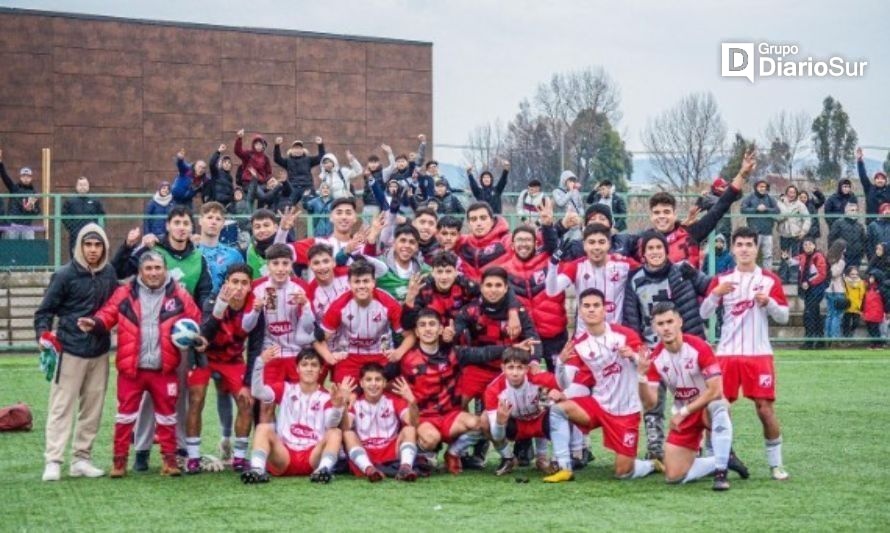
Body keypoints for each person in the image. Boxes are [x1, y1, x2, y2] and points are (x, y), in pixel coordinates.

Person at [77, 251, 205, 478]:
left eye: (158, 268)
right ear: (140, 272)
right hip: (132, 370)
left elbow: (196, 319)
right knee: (125, 417)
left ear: (165, 269)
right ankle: (119, 463)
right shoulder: (125, 293)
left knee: (168, 417)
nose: (154, 273)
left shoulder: (178, 293)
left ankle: (169, 462)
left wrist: (200, 336)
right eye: (149, 269)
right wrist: (95, 322)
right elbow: (108, 314)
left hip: (164, 369)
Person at [700, 226, 791, 480]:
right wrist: (715, 295)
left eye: (749, 245)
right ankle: (713, 459)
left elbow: (783, 317)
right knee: (719, 408)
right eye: (739, 244)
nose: (744, 249)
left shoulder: (769, 280)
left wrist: (769, 302)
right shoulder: (722, 280)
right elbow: (703, 314)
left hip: (759, 354)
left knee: (764, 409)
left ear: (756, 248)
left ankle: (776, 464)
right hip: (727, 354)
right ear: (733, 248)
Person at [545, 288, 661, 483]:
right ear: (580, 311)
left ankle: (651, 465)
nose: (591, 310)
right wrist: (561, 363)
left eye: (596, 305)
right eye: (587, 306)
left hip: (626, 410)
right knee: (558, 409)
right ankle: (564, 467)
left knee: (623, 472)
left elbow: (644, 363)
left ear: (604, 309)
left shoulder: (624, 334)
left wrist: (631, 356)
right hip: (598, 405)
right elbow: (564, 383)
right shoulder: (578, 344)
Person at [34, 224, 117, 482]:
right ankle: (54, 460)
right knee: (61, 407)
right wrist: (43, 334)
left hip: (100, 350)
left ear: (104, 247)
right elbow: (44, 311)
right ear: (79, 246)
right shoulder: (64, 275)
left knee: (92, 408)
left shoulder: (109, 273)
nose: (93, 250)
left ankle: (82, 458)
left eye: (97, 245)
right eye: (88, 244)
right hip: (70, 350)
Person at [623, 231, 711, 461]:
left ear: (665, 250)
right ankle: (655, 448)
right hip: (653, 349)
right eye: (649, 248)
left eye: (658, 248)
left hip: (684, 349)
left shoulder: (682, 270)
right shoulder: (634, 279)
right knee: (653, 402)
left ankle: (698, 445)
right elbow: (632, 317)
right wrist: (638, 347)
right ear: (643, 254)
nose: (654, 252)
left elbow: (709, 288)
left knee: (692, 398)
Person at [637, 302, 741, 491]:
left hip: (704, 407)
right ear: (654, 328)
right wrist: (641, 376)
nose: (666, 328)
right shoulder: (655, 359)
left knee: (719, 405)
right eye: (660, 324)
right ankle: (723, 459)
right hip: (684, 415)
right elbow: (650, 402)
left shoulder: (700, 347)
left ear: (680, 322)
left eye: (670, 321)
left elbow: (715, 390)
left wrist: (684, 411)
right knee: (673, 476)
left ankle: (720, 474)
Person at [453, 266, 541, 468]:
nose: (493, 290)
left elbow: (534, 339)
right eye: (488, 285)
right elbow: (457, 349)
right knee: (456, 401)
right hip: (479, 367)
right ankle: (462, 450)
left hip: (509, 371)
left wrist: (534, 362)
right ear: (481, 287)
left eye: (498, 285)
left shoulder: (518, 310)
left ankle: (523, 443)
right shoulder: (470, 311)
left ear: (506, 288)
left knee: (525, 399)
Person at [399, 309, 505, 475]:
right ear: (417, 332)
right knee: (430, 439)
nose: (428, 329)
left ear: (441, 329)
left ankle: (453, 452)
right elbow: (382, 377)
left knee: (483, 423)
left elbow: (483, 353)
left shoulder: (454, 353)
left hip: (451, 415)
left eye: (432, 324)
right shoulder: (406, 359)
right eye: (423, 325)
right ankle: (422, 455)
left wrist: (513, 348)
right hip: (424, 417)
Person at [187, 264, 261, 474]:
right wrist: (220, 307)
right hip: (206, 356)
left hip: (233, 359)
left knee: (246, 400)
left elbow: (255, 348)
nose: (238, 287)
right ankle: (193, 456)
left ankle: (238, 457)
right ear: (226, 283)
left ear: (250, 286)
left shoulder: (254, 306)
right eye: (234, 282)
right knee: (196, 398)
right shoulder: (214, 300)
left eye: (244, 283)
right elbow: (205, 332)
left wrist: (248, 383)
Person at [241, 347, 348, 484]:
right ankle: (257, 470)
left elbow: (330, 424)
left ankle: (323, 470)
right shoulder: (285, 388)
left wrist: (338, 406)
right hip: (284, 455)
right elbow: (257, 392)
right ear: (297, 368)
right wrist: (260, 362)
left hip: (312, 457)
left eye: (314, 365)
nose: (309, 369)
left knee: (335, 432)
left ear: (321, 370)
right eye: (304, 365)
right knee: (263, 428)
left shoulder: (327, 396)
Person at [642, 149, 753, 268]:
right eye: (657, 212)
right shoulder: (641, 240)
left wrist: (742, 174)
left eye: (666, 212)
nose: (662, 216)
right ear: (651, 216)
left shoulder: (691, 234)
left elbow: (720, 207)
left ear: (674, 214)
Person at [315, 260, 414, 383]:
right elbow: (318, 338)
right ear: (349, 284)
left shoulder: (388, 302)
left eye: (366, 281)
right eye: (357, 282)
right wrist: (328, 356)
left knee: (388, 393)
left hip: (381, 354)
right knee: (344, 396)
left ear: (373, 282)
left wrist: (399, 352)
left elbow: (410, 335)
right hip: (350, 356)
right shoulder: (339, 305)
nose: (361, 286)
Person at [240, 243, 316, 391]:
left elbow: (309, 328)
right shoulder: (257, 288)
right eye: (275, 264)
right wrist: (255, 311)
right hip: (270, 354)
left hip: (297, 354)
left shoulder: (301, 287)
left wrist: (305, 305)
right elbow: (246, 327)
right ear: (268, 265)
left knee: (298, 403)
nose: (280, 269)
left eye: (285, 264)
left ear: (291, 265)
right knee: (266, 405)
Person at [481, 348, 561, 476]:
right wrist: (500, 423)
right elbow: (497, 435)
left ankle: (555, 460)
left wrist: (560, 396)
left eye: (520, 367)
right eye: (510, 367)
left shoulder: (541, 378)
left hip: (541, 420)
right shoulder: (493, 389)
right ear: (502, 368)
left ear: (527, 368)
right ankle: (508, 458)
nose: (515, 373)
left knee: (563, 411)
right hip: (516, 425)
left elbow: (568, 392)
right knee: (485, 420)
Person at [546, 223, 639, 328]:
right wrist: (553, 264)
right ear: (584, 245)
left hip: (615, 336)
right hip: (584, 337)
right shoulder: (576, 266)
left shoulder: (624, 264)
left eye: (601, 242)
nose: (596, 247)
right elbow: (551, 291)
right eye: (591, 242)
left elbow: (648, 272)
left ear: (608, 244)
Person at [343, 363, 419, 481]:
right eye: (369, 380)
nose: (373, 383)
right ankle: (369, 469)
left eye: (378, 380)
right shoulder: (355, 403)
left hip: (391, 452)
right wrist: (343, 402)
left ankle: (405, 468)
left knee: (409, 429)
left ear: (384, 383)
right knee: (348, 434)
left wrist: (412, 401)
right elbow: (345, 426)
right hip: (366, 453)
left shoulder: (394, 400)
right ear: (361, 383)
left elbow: (413, 423)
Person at [454, 202, 512, 281]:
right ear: (468, 224)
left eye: (483, 218)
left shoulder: (506, 241)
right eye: (473, 219)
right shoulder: (460, 242)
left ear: (492, 221)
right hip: (468, 291)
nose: (478, 223)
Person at [197, 202, 245, 293]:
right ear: (200, 220)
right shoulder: (191, 252)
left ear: (223, 224)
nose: (213, 222)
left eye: (218, 219)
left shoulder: (234, 255)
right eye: (209, 217)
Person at [795, 237, 828, 349]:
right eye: (805, 245)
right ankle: (820, 341)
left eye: (809, 244)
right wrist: (785, 258)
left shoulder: (818, 256)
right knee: (815, 315)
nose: (807, 246)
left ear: (814, 246)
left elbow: (822, 274)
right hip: (808, 290)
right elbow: (793, 261)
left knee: (809, 315)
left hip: (816, 290)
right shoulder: (803, 256)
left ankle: (809, 342)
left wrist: (809, 282)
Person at [0, 148, 41, 239]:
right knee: (12, 249)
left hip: (27, 226)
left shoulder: (34, 193)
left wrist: (32, 208)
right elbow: (5, 177)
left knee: (28, 248)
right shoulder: (15, 189)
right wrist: (0, 164)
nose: (26, 178)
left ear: (31, 178)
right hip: (13, 225)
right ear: (20, 177)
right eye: (23, 176)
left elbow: (37, 212)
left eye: (28, 176)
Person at [273, 136, 325, 205]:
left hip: (307, 186)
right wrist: (277, 146)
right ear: (291, 150)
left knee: (312, 204)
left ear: (303, 150)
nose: (297, 150)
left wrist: (320, 145)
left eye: (299, 148)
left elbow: (320, 158)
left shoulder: (308, 159)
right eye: (295, 148)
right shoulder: (288, 161)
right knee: (287, 204)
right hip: (293, 187)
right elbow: (277, 159)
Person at [741, 179, 780, 268]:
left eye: (765, 187)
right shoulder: (750, 197)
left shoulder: (770, 198)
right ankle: (751, 274)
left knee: (768, 255)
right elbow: (743, 210)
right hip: (753, 232)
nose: (763, 189)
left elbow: (777, 210)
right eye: (761, 186)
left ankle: (767, 275)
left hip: (768, 232)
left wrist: (766, 209)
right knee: (752, 255)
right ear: (756, 187)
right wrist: (756, 209)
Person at [61, 177, 106, 256]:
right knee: (76, 257)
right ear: (76, 187)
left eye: (85, 185)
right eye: (80, 185)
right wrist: (72, 228)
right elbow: (64, 216)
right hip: (75, 235)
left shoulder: (95, 201)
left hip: (91, 234)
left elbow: (102, 216)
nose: (82, 187)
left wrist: (97, 228)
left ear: (88, 187)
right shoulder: (70, 201)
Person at [234, 130, 272, 202]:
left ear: (263, 146)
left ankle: (261, 212)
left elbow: (269, 172)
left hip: (261, 183)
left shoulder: (265, 158)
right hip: (249, 183)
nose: (258, 146)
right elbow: (238, 151)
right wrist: (239, 138)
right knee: (262, 197)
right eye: (256, 144)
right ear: (253, 145)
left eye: (260, 144)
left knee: (270, 193)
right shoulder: (249, 154)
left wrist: (268, 181)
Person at [776, 185, 810, 259]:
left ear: (796, 194)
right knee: (784, 255)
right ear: (786, 193)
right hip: (784, 234)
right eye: (790, 192)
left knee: (795, 256)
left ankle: (794, 270)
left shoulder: (800, 205)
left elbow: (807, 219)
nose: (791, 194)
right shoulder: (779, 203)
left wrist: (803, 231)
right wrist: (781, 217)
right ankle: (784, 270)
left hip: (796, 234)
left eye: (794, 193)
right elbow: (775, 217)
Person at [695, 177, 733, 243]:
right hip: (714, 231)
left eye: (726, 186)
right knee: (713, 251)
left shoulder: (728, 196)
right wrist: (700, 198)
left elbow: (739, 195)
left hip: (726, 231)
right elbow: (697, 209)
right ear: (716, 188)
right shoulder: (709, 197)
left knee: (726, 251)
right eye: (723, 187)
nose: (725, 188)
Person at [828, 202, 865, 269]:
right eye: (852, 210)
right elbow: (831, 238)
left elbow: (864, 241)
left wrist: (861, 254)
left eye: (856, 210)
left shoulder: (860, 226)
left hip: (856, 257)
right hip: (842, 256)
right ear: (846, 211)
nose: (854, 212)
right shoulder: (838, 223)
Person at [824, 239, 848, 341]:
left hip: (828, 289)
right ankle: (834, 337)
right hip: (837, 290)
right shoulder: (840, 261)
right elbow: (834, 274)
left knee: (830, 314)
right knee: (837, 315)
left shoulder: (828, 258)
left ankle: (827, 336)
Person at [856, 147, 890, 217]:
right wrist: (860, 161)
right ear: (874, 180)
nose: (880, 180)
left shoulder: (888, 189)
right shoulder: (869, 188)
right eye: (877, 178)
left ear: (885, 181)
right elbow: (863, 176)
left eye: (882, 178)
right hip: (871, 223)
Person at [862, 271, 888, 349]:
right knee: (870, 329)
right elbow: (864, 300)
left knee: (875, 329)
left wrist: (887, 312)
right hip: (867, 313)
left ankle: (878, 344)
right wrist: (861, 310)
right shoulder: (868, 288)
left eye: (872, 277)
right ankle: (873, 344)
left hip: (876, 313)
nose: (870, 278)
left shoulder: (881, 290)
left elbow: (886, 301)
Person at [842, 265, 866, 338]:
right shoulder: (845, 281)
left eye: (856, 274)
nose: (854, 276)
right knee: (846, 322)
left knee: (855, 323)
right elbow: (844, 292)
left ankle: (851, 332)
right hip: (848, 305)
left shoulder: (861, 282)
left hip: (857, 306)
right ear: (848, 274)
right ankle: (846, 337)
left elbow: (862, 293)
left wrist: (861, 305)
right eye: (852, 274)